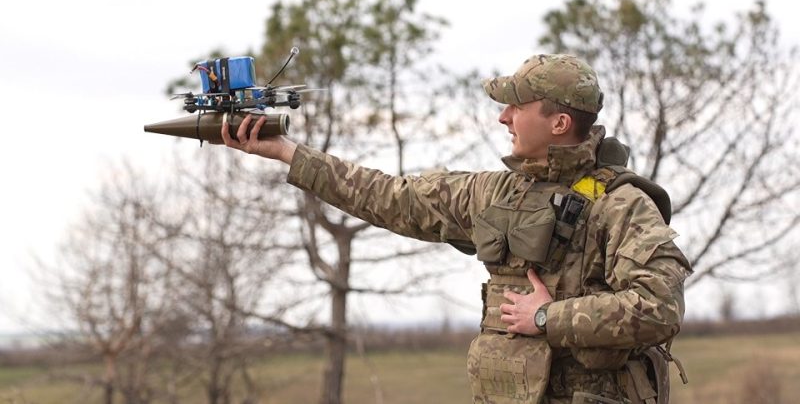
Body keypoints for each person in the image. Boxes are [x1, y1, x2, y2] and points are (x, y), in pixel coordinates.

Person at [217, 54, 692, 404]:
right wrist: (288, 153)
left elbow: (660, 308)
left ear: (559, 122)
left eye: (516, 107)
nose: (503, 117)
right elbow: (390, 197)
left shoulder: (622, 206)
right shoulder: (492, 193)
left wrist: (549, 318)